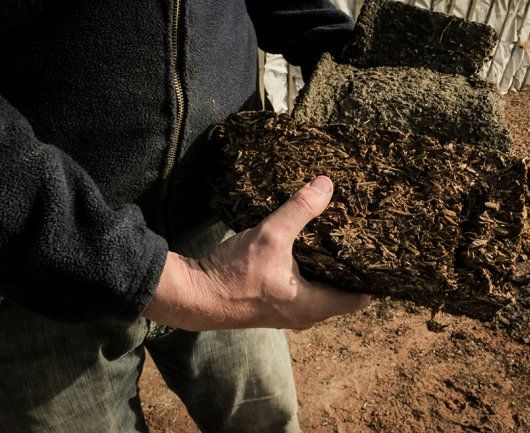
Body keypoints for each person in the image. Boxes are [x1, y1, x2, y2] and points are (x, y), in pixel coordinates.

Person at [0, 1, 370, 432]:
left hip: (223, 232)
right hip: (49, 263)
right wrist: (195, 287)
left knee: (266, 420)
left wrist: (332, 40)